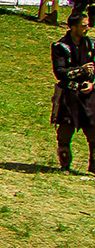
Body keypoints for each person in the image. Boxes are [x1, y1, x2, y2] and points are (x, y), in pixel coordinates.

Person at [51, 9, 95, 171]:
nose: (87, 28)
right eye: (84, 26)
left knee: (93, 130)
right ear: (73, 27)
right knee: (65, 131)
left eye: (88, 25)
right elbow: (60, 72)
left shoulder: (91, 44)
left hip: (89, 94)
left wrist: (91, 84)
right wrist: (80, 70)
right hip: (69, 95)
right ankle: (65, 166)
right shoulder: (60, 47)